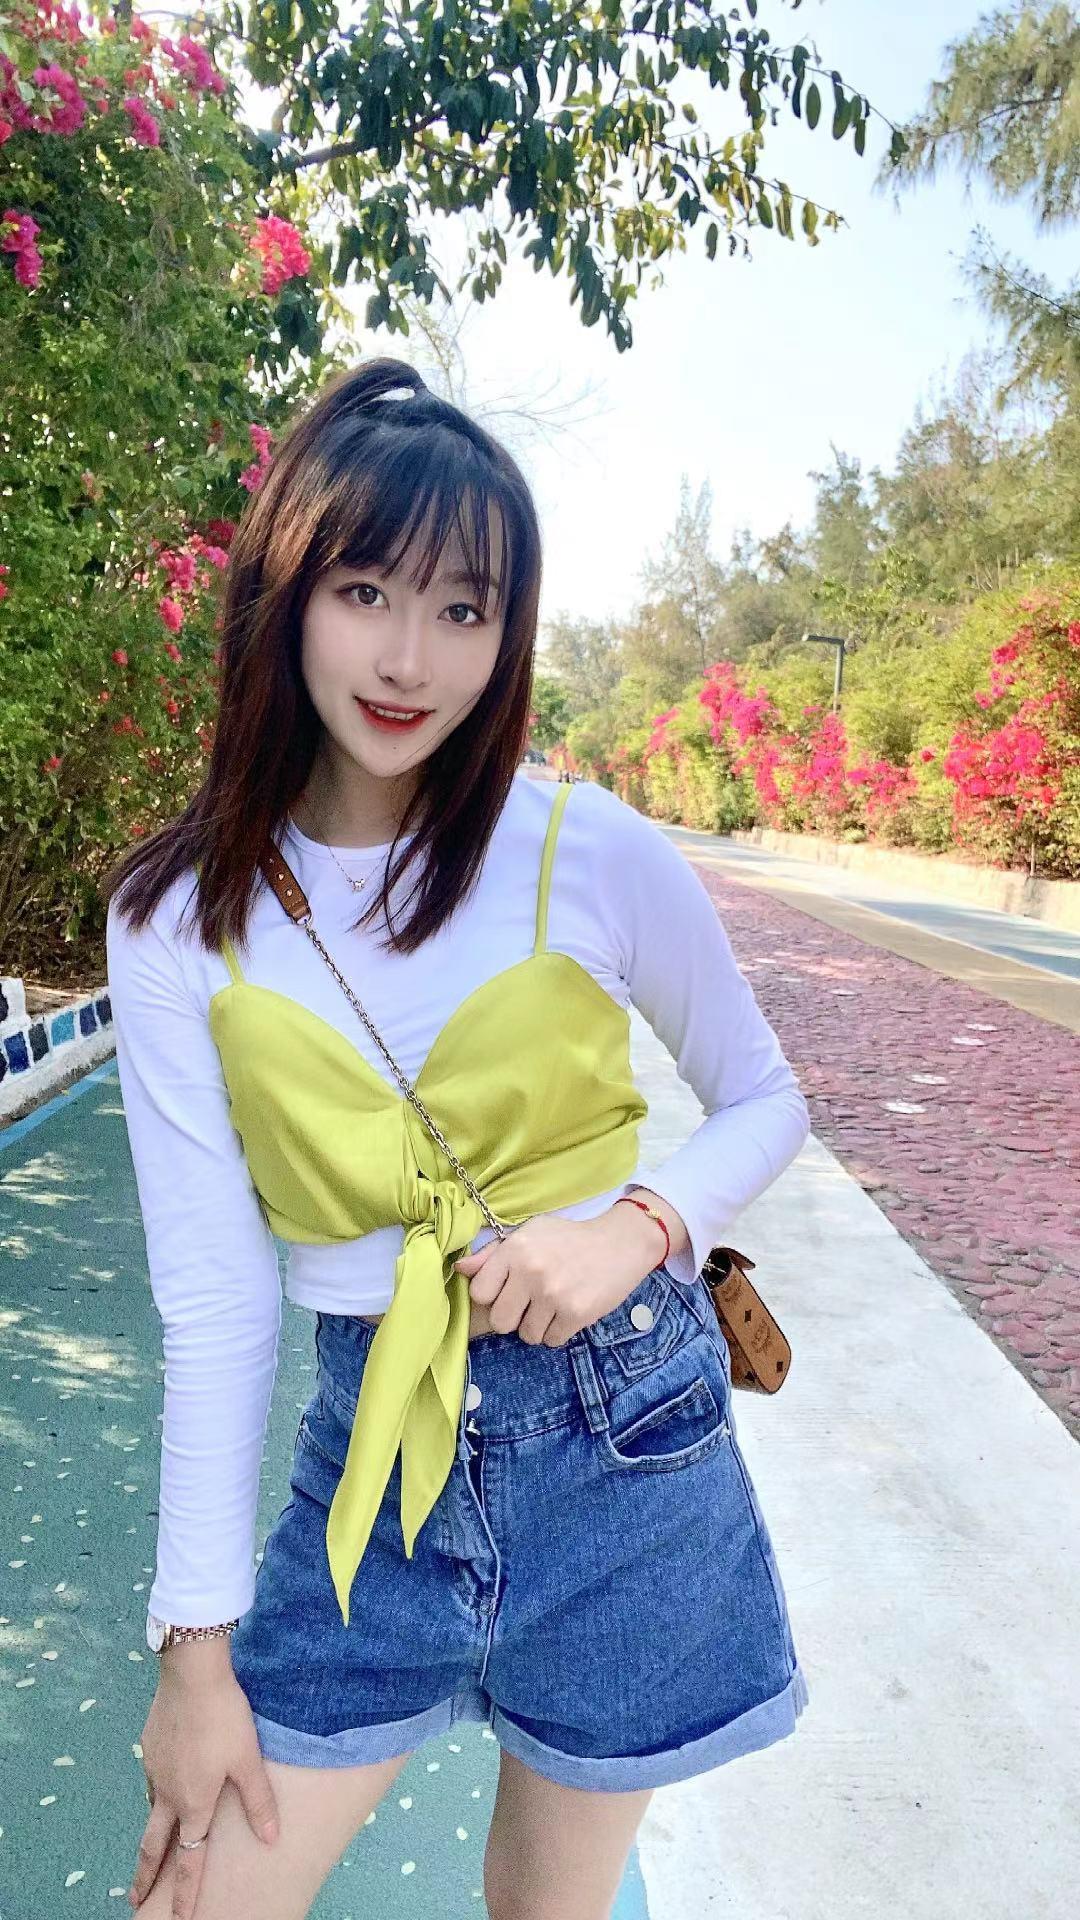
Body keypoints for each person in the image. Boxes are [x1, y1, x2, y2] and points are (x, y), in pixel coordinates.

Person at [103, 357, 812, 1920]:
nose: (410, 657)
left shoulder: (585, 847)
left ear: (510, 633)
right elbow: (217, 1300)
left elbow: (766, 1095)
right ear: (286, 592)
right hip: (372, 1466)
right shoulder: (175, 919)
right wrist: (194, 1658)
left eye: (465, 609)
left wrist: (631, 1229)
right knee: (195, 1898)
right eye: (365, 591)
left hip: (627, 1444)